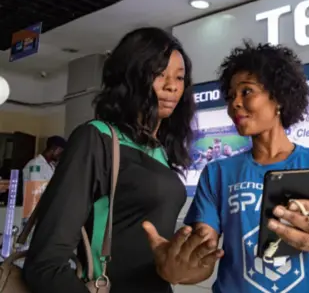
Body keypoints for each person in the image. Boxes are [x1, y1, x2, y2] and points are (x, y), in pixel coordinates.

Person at [143, 41, 309, 292]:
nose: (234, 104)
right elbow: (205, 255)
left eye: (246, 92)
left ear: (279, 97)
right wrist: (182, 267)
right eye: (230, 97)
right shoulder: (218, 173)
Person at [23, 27, 198, 293]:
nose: (172, 86)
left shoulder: (162, 152)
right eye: (158, 74)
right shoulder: (97, 139)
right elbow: (44, 264)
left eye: (179, 77)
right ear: (131, 77)